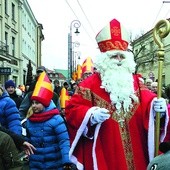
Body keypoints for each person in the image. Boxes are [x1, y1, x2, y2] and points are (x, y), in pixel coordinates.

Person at [65, 18, 169, 170]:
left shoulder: (136, 81)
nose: (119, 60)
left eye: (122, 56)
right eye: (114, 56)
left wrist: (157, 106)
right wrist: (90, 115)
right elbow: (71, 111)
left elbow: (149, 101)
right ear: (104, 59)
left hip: (137, 147)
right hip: (106, 150)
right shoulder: (87, 86)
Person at [25, 71, 75, 170]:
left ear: (45, 104)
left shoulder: (56, 119)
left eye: (37, 103)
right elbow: (28, 138)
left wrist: (66, 160)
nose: (34, 105)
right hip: (36, 163)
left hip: (54, 164)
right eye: (33, 103)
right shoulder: (30, 119)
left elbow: (64, 141)